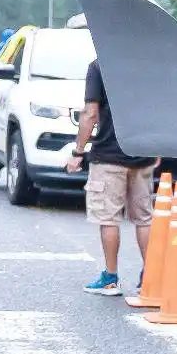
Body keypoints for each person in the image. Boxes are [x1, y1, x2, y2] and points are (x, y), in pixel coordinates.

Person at [68, 58, 158, 296]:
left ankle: (110, 278)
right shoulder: (148, 65)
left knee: (109, 217)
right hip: (143, 153)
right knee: (144, 218)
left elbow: (90, 113)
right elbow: (159, 108)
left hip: (109, 155)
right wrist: (157, 148)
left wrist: (78, 151)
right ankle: (150, 277)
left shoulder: (100, 66)